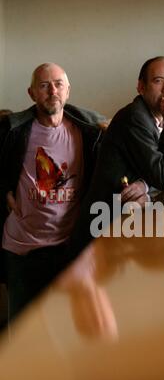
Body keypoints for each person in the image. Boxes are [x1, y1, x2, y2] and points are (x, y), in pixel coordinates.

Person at [0, 62, 107, 322]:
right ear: (32, 93)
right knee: (22, 332)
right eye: (44, 86)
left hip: (68, 248)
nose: (52, 91)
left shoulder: (88, 132)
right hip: (22, 250)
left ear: (68, 91)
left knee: (67, 326)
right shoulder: (13, 131)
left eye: (58, 84)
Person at [70, 56, 164, 255]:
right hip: (100, 238)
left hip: (120, 236)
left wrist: (145, 185)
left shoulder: (154, 121)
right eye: (158, 81)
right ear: (141, 87)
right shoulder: (135, 117)